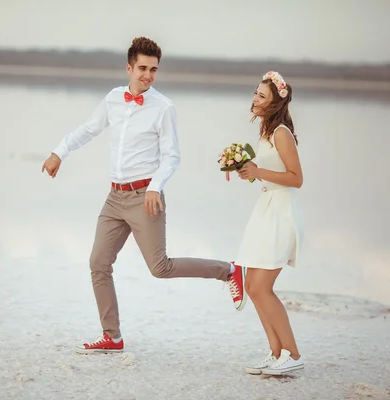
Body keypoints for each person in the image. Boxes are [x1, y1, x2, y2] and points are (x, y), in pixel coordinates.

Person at [41, 37, 246, 354]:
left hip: (145, 196)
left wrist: (154, 187)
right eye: (142, 68)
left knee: (159, 267)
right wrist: (59, 152)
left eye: (153, 69)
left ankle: (229, 271)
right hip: (114, 197)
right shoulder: (112, 99)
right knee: (98, 262)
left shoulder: (163, 108)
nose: (148, 75)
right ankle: (112, 336)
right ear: (129, 67)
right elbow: (88, 129)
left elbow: (172, 156)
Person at [229, 71, 304, 375]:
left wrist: (258, 172)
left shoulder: (281, 132)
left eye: (262, 95)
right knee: (252, 286)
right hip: (266, 208)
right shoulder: (265, 132)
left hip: (281, 213)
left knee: (262, 286)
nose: (255, 99)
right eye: (255, 93)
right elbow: (268, 171)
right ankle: (276, 354)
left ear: (276, 102)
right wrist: (248, 170)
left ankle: (294, 354)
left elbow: (296, 179)